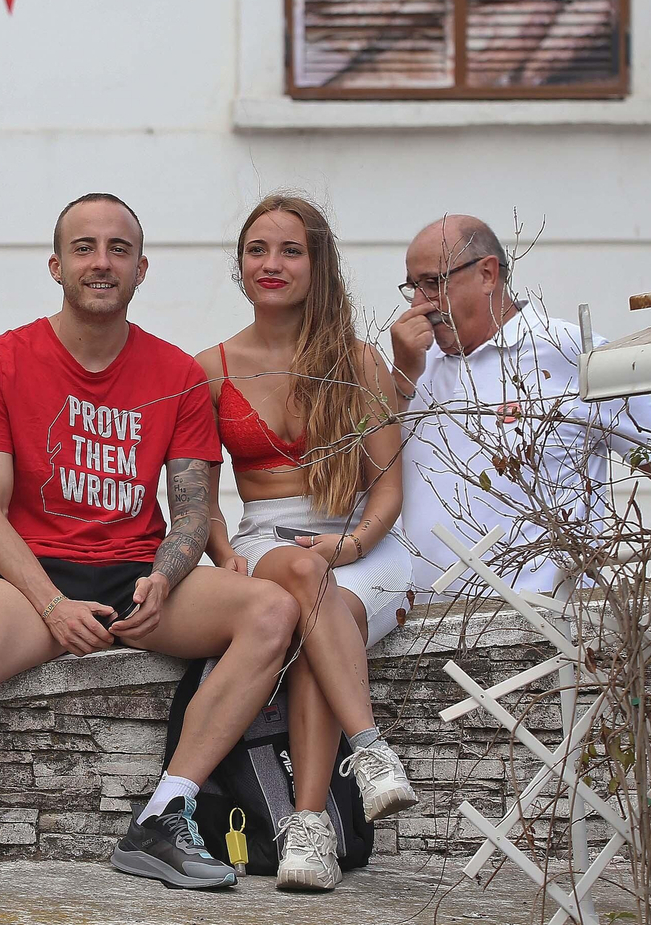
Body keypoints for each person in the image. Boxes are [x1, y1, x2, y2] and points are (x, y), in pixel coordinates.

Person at [0, 193, 301, 895]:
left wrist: (167, 578)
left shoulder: (174, 374)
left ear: (142, 268)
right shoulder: (0, 361)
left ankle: (164, 816)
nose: (101, 262)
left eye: (117, 249)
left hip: (141, 576)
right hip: (32, 579)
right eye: (85, 248)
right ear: (56, 265)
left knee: (271, 611)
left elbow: (192, 512)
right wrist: (51, 606)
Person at [195, 193, 418, 893]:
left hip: (363, 541)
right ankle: (371, 749)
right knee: (297, 571)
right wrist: (223, 552)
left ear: (317, 265)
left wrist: (348, 547)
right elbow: (197, 493)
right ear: (240, 265)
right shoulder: (210, 366)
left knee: (319, 618)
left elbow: (386, 488)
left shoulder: (356, 360)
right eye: (258, 249)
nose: (272, 263)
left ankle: (310, 826)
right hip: (270, 538)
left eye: (291, 250)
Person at [392, 215, 651, 596]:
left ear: (488, 274)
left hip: (549, 622)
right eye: (413, 287)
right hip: (420, 626)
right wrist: (401, 377)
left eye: (434, 283)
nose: (420, 304)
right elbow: (369, 479)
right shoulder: (413, 365)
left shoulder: (570, 352)